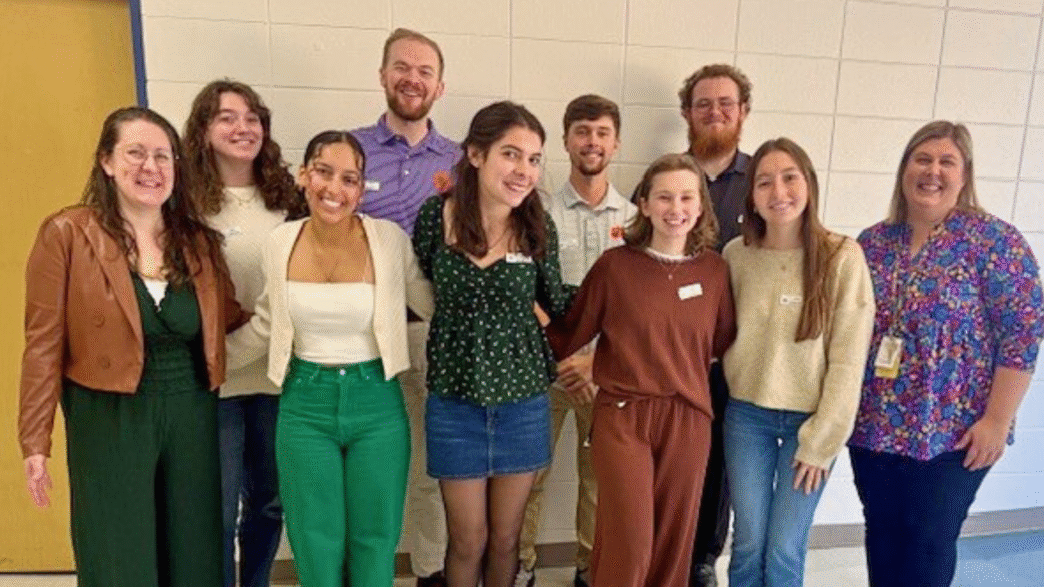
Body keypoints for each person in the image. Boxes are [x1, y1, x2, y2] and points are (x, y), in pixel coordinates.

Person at [19, 106, 247, 587]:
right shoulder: (66, 234)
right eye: (136, 153)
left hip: (191, 411)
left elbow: (228, 318)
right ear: (106, 161)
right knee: (120, 552)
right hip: (108, 414)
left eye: (163, 157)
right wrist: (35, 442)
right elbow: (43, 345)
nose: (151, 168)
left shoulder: (199, 243)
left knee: (195, 552)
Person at [226, 130, 432, 587]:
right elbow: (265, 325)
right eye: (323, 172)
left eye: (349, 179)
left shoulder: (390, 241)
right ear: (304, 175)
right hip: (304, 406)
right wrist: (212, 364)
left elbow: (429, 304)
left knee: (374, 538)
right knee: (315, 539)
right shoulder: (280, 242)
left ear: (361, 190)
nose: (333, 189)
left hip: (376, 403)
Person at [849, 120, 1044, 587]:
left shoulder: (995, 242)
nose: (932, 171)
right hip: (875, 428)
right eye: (923, 159)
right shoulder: (872, 243)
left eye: (946, 161)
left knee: (928, 541)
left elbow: (1022, 334)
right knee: (883, 537)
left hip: (954, 432)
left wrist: (997, 421)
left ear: (964, 174)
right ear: (904, 170)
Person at [547, 153, 736, 587]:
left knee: (674, 541)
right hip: (623, 415)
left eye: (687, 197)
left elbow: (720, 341)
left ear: (701, 206)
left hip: (688, 419)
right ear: (645, 205)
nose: (676, 208)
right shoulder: (616, 267)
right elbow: (569, 332)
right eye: (664, 197)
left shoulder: (715, 271)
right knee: (629, 542)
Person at [411, 101, 574, 587]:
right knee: (466, 540)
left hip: (522, 403)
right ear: (476, 155)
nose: (524, 170)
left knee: (505, 538)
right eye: (511, 154)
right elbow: (421, 281)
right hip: (454, 401)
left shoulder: (536, 227)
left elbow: (559, 301)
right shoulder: (435, 217)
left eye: (533, 159)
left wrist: (623, 286)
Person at [721, 138, 874, 587]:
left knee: (785, 547)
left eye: (790, 177)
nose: (778, 191)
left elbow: (849, 360)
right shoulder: (736, 255)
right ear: (752, 195)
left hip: (811, 423)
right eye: (764, 182)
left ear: (809, 184)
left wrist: (822, 441)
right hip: (747, 418)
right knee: (748, 542)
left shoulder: (841, 257)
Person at [183, 78, 304, 587]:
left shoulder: (289, 199)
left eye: (252, 117)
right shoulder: (185, 202)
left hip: (279, 380)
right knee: (219, 507)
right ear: (204, 130)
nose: (243, 127)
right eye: (227, 117)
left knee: (271, 504)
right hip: (219, 383)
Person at [351, 28, 461, 587]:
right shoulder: (349, 152)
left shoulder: (462, 161)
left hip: (426, 331)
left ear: (440, 87)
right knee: (364, 465)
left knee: (425, 466)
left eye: (424, 71)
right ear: (382, 75)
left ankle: (429, 572)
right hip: (354, 335)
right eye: (402, 67)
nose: (411, 79)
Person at [516, 94, 635, 587]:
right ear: (565, 140)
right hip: (545, 373)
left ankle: (589, 570)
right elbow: (522, 290)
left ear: (616, 143)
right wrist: (565, 358)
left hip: (606, 375)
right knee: (528, 480)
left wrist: (595, 364)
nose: (592, 141)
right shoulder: (535, 212)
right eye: (582, 131)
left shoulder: (635, 218)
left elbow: (635, 305)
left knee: (599, 484)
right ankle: (520, 567)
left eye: (602, 132)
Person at [677, 63, 753, 587]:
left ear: (743, 112)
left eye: (726, 103)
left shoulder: (763, 181)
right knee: (671, 457)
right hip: (671, 350)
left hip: (736, 354)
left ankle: (704, 559)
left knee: (720, 463)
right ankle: (666, 554)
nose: (715, 113)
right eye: (704, 104)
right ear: (687, 113)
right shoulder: (667, 174)